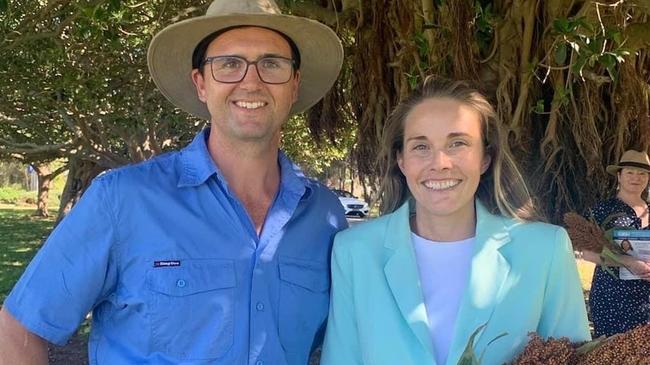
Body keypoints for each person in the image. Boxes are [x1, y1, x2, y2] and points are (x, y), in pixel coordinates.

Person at [0, 0, 347, 364]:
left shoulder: (325, 216)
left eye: (271, 64)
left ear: (294, 85)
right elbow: (17, 329)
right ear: (200, 83)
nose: (251, 82)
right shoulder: (123, 200)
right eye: (229, 64)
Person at [320, 77, 590, 365]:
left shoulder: (544, 250)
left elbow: (576, 357)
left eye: (457, 143)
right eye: (421, 147)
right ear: (401, 160)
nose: (440, 162)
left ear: (485, 158)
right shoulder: (355, 250)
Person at [580, 149, 650, 337]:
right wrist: (627, 262)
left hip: (646, 299)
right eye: (630, 172)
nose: (636, 178)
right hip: (611, 297)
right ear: (619, 176)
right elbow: (587, 252)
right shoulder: (602, 210)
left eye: (642, 173)